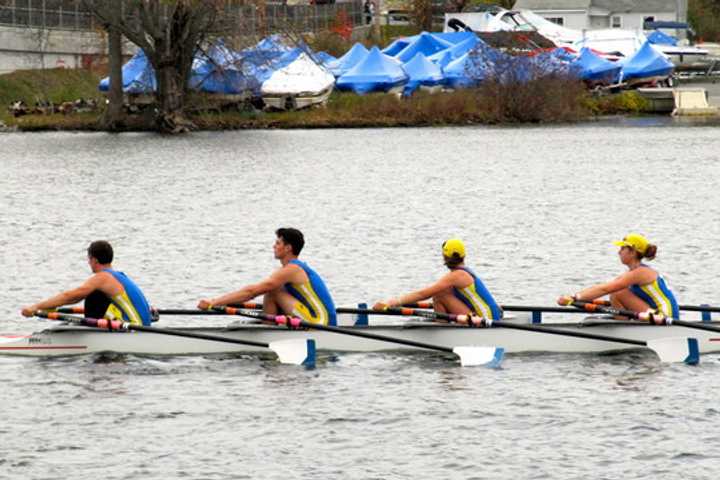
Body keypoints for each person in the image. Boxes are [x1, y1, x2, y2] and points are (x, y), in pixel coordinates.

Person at [197, 228, 337, 326]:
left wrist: (214, 302)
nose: (273, 246)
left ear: (288, 248)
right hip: (318, 318)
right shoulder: (290, 269)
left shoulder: (292, 269)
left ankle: (268, 330)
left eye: (278, 243)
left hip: (320, 323)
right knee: (273, 290)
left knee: (272, 290)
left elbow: (251, 292)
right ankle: (269, 327)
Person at [21, 240, 153, 325]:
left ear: (94, 260)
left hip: (134, 327)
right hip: (142, 324)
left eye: (89, 259)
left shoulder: (102, 278)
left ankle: (88, 334)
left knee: (92, 295)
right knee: (97, 295)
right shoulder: (119, 275)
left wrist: (35, 307)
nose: (88, 262)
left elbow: (71, 297)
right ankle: (90, 328)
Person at [373, 238, 503, 322]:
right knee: (443, 292)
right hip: (489, 315)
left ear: (445, 257)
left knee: (438, 294)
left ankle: (442, 330)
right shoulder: (464, 273)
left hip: (486, 320)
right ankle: (442, 324)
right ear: (463, 256)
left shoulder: (457, 276)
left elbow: (423, 294)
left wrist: (390, 303)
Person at [557, 233, 679, 319]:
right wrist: (578, 298)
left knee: (617, 292)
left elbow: (606, 289)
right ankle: (622, 324)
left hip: (666, 318)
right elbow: (603, 287)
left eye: (622, 248)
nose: (619, 252)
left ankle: (622, 327)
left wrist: (575, 297)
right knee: (616, 292)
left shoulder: (641, 273)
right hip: (653, 314)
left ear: (632, 252)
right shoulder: (632, 273)